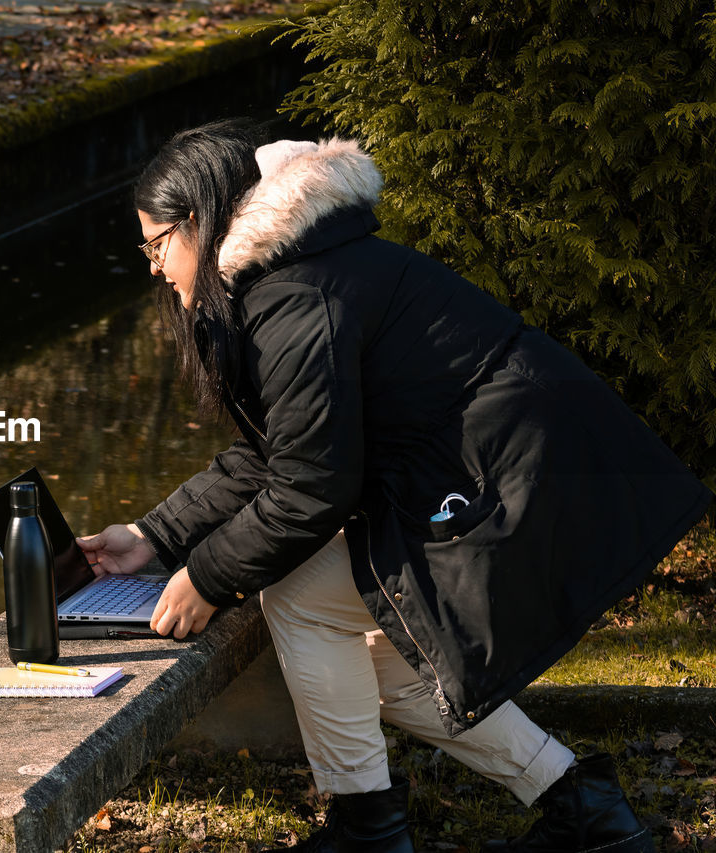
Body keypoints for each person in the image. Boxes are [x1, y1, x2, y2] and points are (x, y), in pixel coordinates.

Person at [77, 120, 712, 853]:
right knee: (393, 642)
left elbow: (313, 486)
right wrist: (152, 536)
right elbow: (280, 454)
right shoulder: (300, 270)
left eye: (156, 245)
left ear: (197, 221)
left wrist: (209, 577)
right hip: (513, 474)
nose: (154, 267)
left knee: (302, 595)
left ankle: (368, 827)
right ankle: (582, 805)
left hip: (515, 486)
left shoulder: (290, 298)